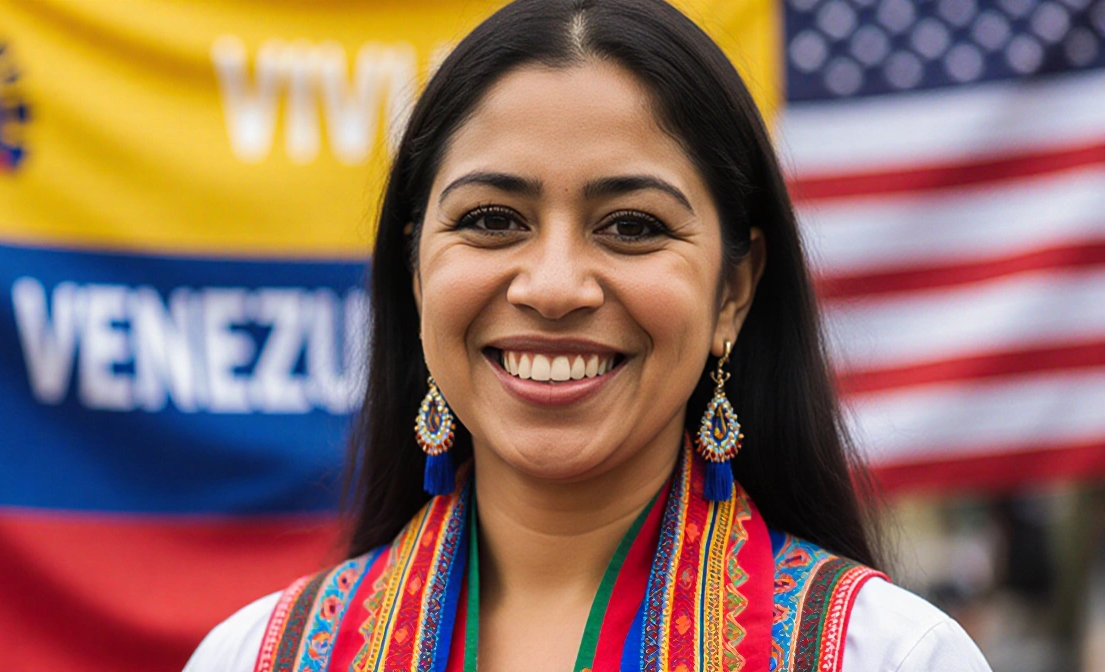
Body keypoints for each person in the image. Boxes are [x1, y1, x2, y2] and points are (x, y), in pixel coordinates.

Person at [185, 0, 993, 670]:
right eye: (493, 220)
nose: (555, 286)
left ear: (733, 291)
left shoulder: (886, 655)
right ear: (416, 269)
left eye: (632, 226)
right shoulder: (257, 655)